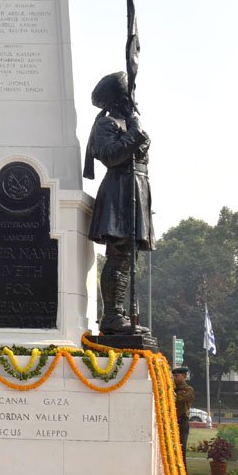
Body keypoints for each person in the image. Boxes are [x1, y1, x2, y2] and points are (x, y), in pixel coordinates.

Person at [83, 71, 155, 335]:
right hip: (119, 189)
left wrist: (134, 129)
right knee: (118, 255)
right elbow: (110, 156)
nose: (132, 98)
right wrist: (135, 133)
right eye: (128, 93)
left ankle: (124, 313)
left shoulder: (130, 121)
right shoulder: (106, 124)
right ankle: (112, 316)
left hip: (137, 188)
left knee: (128, 259)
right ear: (118, 98)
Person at [171, 367, 195, 471]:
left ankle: (182, 472)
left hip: (182, 422)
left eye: (177, 376)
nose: (174, 378)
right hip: (172, 422)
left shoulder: (188, 390)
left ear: (184, 376)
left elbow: (177, 399)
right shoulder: (171, 388)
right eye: (174, 376)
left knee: (181, 448)